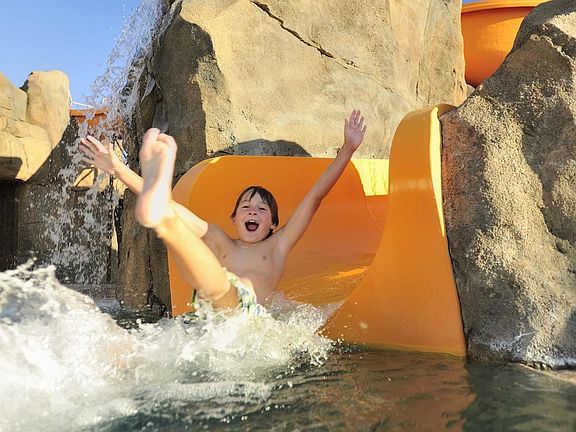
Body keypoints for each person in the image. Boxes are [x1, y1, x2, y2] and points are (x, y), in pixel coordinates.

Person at [80, 110, 367, 316]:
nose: (252, 211)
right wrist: (118, 169)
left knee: (221, 287)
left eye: (261, 209)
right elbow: (175, 208)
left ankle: (163, 222)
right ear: (234, 218)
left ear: (272, 223)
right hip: (211, 312)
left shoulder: (278, 245)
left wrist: (348, 149)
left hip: (246, 312)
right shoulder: (220, 239)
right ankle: (162, 218)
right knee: (175, 219)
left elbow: (315, 197)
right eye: (246, 207)